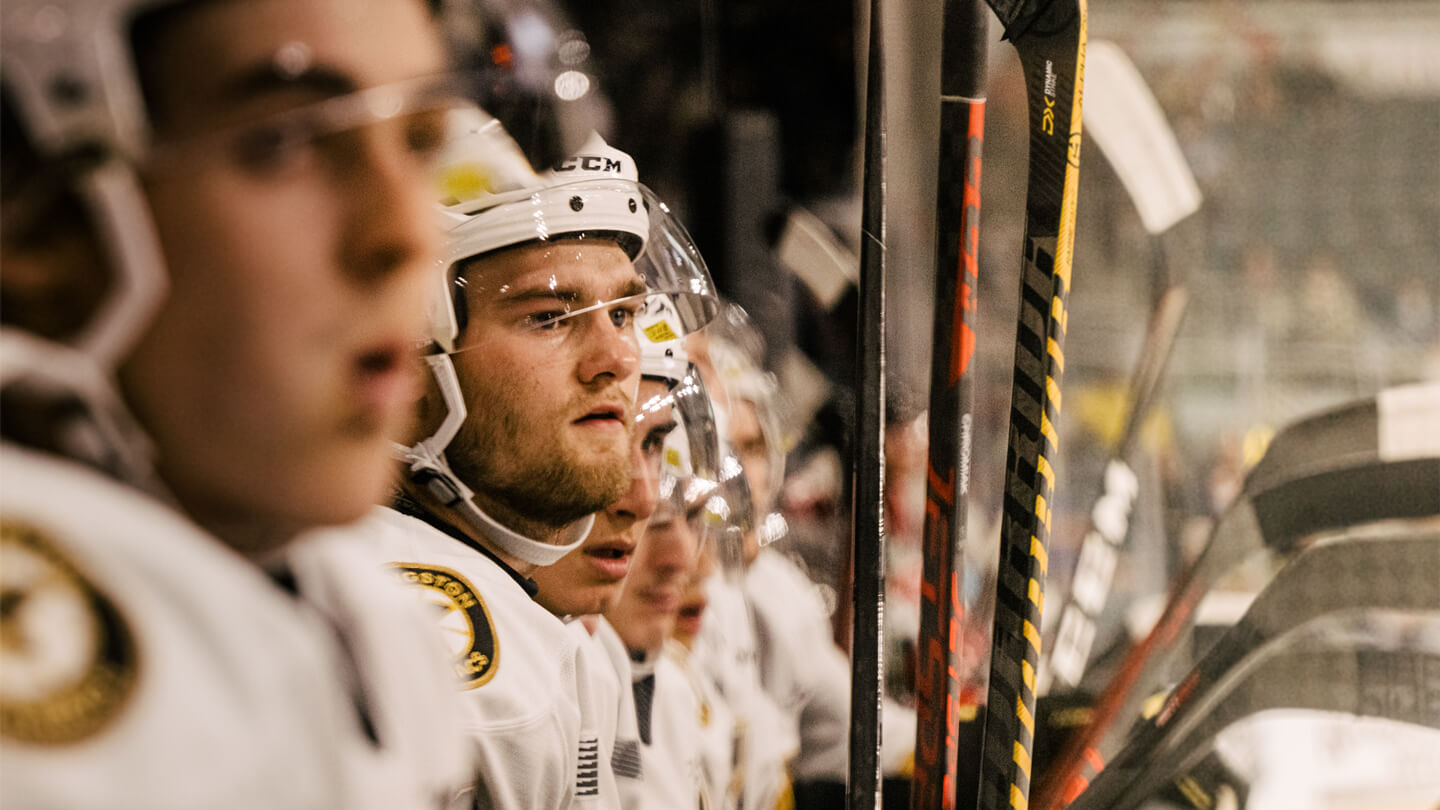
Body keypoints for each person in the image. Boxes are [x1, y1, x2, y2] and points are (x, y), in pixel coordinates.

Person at [0, 0, 579, 805]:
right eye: (286, 142)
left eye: (420, 142)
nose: (405, 235)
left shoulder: (359, 603)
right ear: (42, 224)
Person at [348, 124, 718, 808]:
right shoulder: (473, 677)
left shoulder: (547, 636)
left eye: (624, 313)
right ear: (410, 358)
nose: (619, 358)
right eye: (549, 317)